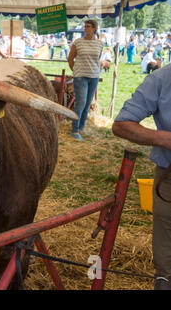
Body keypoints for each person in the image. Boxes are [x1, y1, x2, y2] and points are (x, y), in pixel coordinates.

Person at [112, 63, 171, 290]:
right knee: (166, 266)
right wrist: (166, 139)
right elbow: (122, 124)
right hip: (169, 179)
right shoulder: (161, 78)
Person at [67, 19, 103, 141]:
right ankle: (75, 130)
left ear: (94, 29)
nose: (85, 28)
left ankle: (82, 127)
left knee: (88, 104)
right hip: (80, 76)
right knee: (80, 103)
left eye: (88, 26)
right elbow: (70, 59)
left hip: (94, 76)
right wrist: (76, 71)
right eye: (85, 26)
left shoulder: (99, 44)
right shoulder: (78, 42)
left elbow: (97, 59)